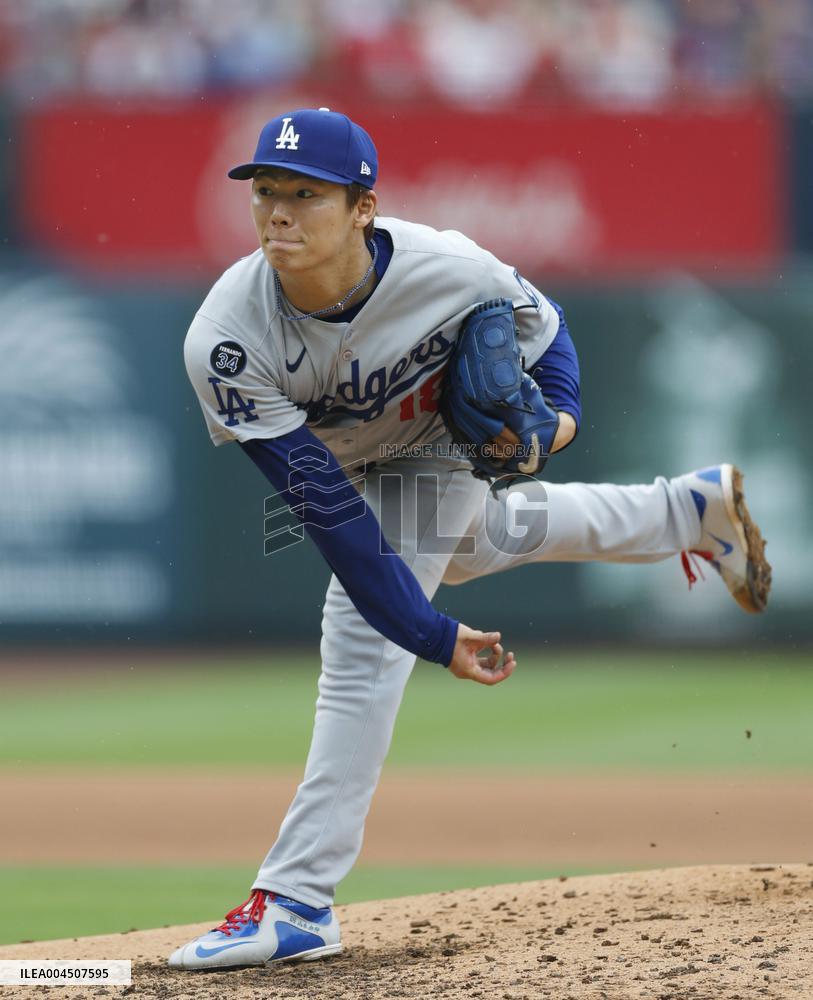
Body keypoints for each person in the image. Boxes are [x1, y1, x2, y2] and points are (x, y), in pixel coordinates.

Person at [170, 108, 771, 971]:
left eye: (306, 194)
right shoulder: (227, 337)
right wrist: (434, 633)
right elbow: (332, 516)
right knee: (467, 546)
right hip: (352, 474)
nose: (278, 213)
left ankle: (297, 898)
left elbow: (548, 330)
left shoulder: (450, 268)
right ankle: (687, 511)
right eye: (266, 191)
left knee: (356, 631)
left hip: (432, 449)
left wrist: (553, 425)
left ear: (362, 207)